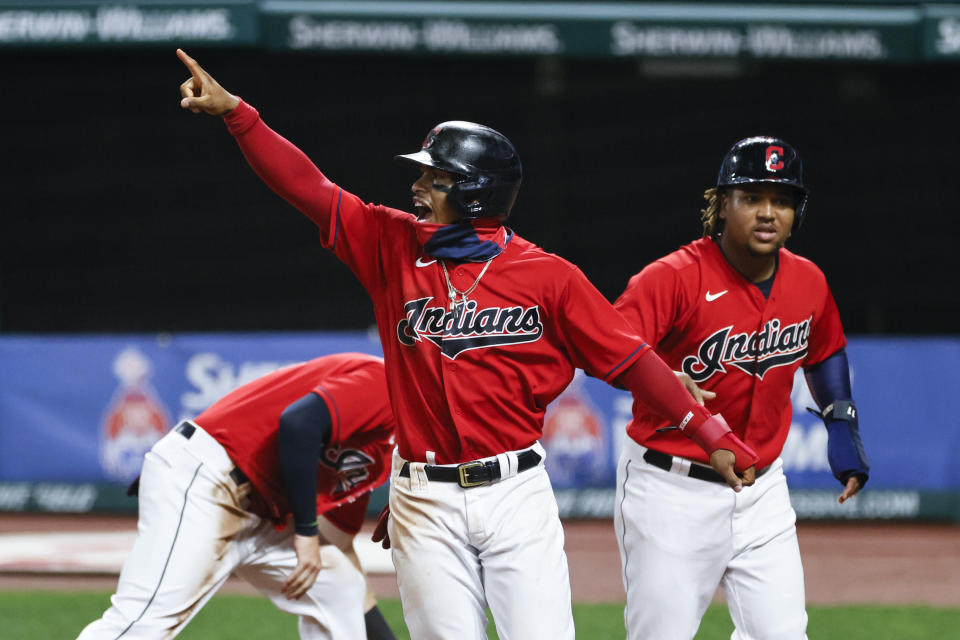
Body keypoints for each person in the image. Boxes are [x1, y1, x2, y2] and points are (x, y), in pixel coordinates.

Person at [174, 49, 758, 640]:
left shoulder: (548, 276)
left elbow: (633, 362)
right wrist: (238, 115)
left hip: (515, 493)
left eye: (436, 178)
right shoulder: (391, 244)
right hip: (424, 500)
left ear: (477, 193)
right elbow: (310, 189)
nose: (418, 186)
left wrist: (710, 435)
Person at [612, 136, 870, 640]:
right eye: (752, 198)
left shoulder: (809, 281)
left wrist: (842, 422)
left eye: (783, 200)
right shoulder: (670, 278)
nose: (768, 213)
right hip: (672, 488)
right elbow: (610, 350)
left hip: (764, 491)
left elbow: (824, 351)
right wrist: (660, 379)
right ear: (721, 205)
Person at [77, 353, 398, 640]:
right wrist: (305, 531)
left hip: (259, 514)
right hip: (208, 480)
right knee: (144, 623)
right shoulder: (386, 384)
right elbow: (299, 424)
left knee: (339, 586)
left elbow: (339, 546)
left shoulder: (385, 460)